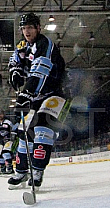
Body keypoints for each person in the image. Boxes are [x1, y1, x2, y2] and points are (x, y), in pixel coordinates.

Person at [7, 12, 68, 189]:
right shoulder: (22, 46)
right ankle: (21, 170)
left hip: (55, 94)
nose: (27, 31)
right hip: (36, 96)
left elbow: (41, 71)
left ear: (38, 28)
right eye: (24, 28)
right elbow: (14, 61)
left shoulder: (45, 44)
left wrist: (26, 93)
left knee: (42, 128)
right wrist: (15, 73)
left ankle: (38, 171)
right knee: (23, 132)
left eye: (30, 27)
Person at [0, 110, 16, 175]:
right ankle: (2, 169)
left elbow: (14, 129)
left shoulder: (8, 122)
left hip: (9, 140)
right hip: (1, 141)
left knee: (6, 153)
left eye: (1, 114)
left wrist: (13, 138)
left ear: (3, 114)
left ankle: (10, 169)